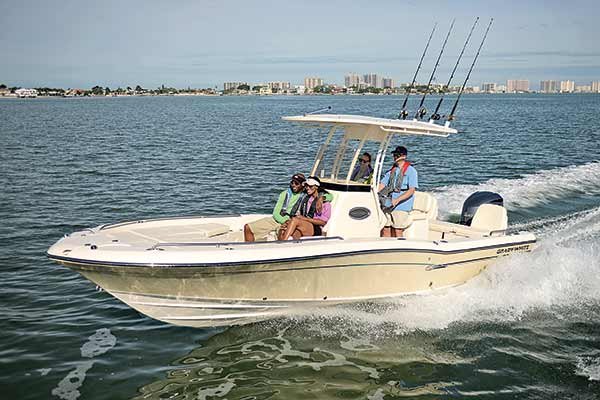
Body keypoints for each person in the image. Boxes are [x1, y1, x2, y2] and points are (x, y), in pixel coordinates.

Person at [244, 173, 306, 242]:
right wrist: (284, 221)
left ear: (302, 185)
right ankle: (251, 249)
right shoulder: (284, 194)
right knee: (248, 227)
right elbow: (276, 212)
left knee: (282, 233)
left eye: (296, 183)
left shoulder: (305, 196)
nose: (293, 185)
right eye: (292, 182)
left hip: (291, 222)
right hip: (277, 219)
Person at [377, 146, 418, 237]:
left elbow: (411, 190)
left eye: (397, 155)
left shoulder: (411, 171)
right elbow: (382, 185)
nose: (395, 156)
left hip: (402, 205)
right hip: (388, 203)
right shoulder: (392, 170)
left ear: (404, 156)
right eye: (394, 155)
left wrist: (397, 200)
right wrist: (373, 194)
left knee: (397, 229)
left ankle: (400, 248)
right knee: (385, 227)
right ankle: (386, 248)